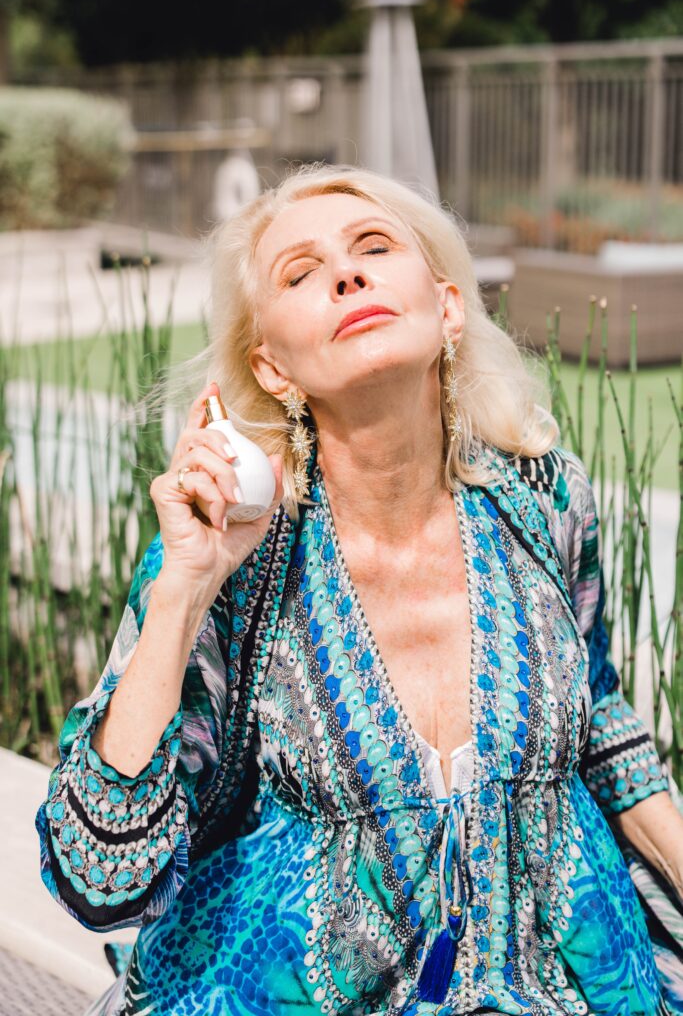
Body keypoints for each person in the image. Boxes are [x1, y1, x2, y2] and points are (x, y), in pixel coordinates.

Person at [36, 164, 683, 1016]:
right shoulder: (234, 557)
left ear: (446, 306)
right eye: (299, 273)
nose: (346, 273)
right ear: (271, 368)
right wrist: (184, 588)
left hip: (564, 986)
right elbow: (99, 880)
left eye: (372, 247)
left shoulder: (543, 497)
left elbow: (595, 717)